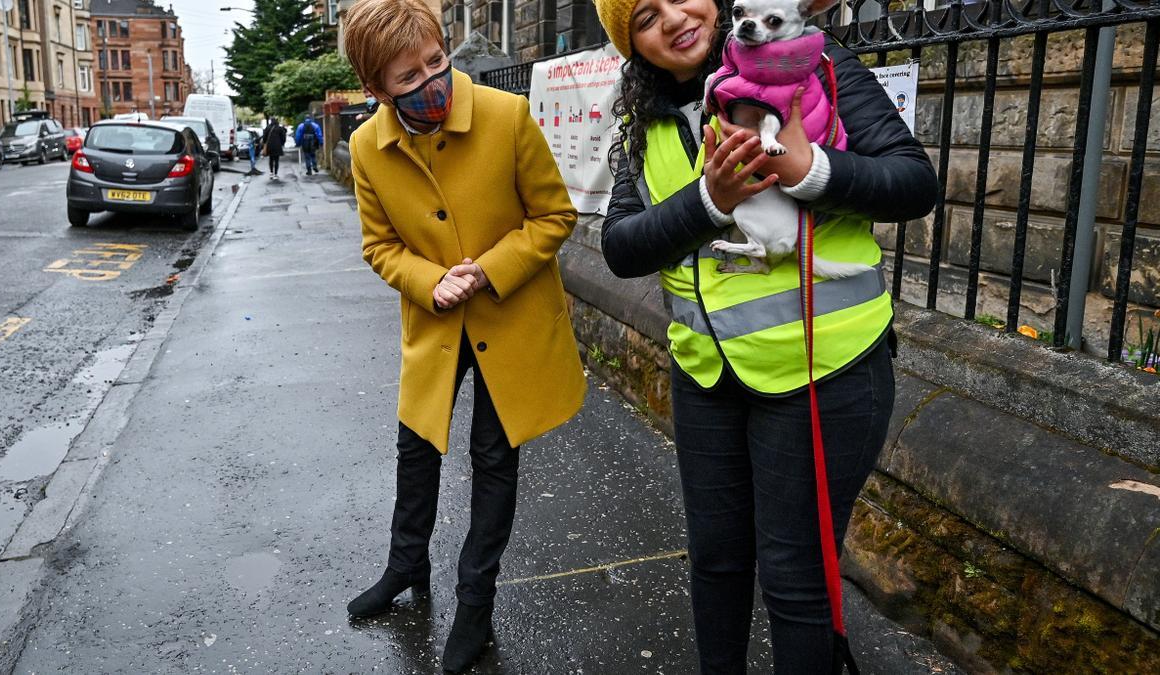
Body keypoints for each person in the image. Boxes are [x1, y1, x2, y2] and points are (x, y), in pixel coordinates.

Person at [592, 0, 937, 672]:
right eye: (643, 16)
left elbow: (912, 181)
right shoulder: (645, 120)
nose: (671, 18)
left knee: (794, 575)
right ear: (632, 44)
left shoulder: (810, 62)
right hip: (707, 377)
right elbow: (621, 246)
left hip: (825, 370)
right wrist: (709, 202)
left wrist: (811, 173)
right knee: (717, 558)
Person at [340, 0, 587, 672]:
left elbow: (554, 214)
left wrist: (490, 269)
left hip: (511, 322)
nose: (431, 81)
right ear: (376, 89)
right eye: (408, 77)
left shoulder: (506, 116)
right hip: (437, 327)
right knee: (415, 447)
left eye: (436, 62)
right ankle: (404, 565)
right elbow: (379, 245)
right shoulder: (366, 146)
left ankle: (475, 606)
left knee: (493, 461)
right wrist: (428, 280)